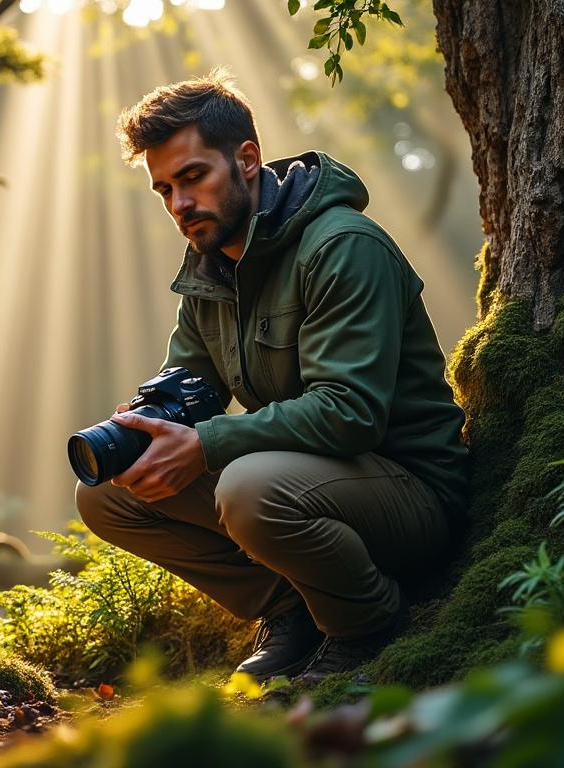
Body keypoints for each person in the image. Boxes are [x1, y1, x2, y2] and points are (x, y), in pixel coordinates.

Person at [75, 69, 469, 684]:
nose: (180, 204)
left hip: (409, 492)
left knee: (249, 488)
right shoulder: (210, 272)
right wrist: (141, 430)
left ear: (248, 159)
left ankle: (366, 623)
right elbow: (188, 384)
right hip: (307, 482)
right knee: (107, 493)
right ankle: (295, 609)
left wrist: (206, 445)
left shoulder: (343, 247)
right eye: (164, 190)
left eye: (193, 177)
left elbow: (349, 412)